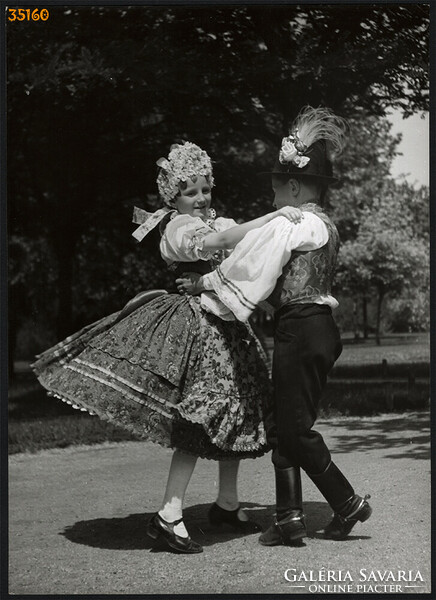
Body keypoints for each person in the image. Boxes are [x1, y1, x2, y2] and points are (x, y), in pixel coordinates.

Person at [31, 141, 302, 555]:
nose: (199, 198)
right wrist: (275, 216)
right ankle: (168, 515)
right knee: (199, 416)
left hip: (227, 323)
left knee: (238, 408)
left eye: (204, 189)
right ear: (173, 196)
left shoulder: (217, 219)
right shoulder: (177, 228)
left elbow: (240, 247)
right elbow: (220, 243)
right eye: (190, 192)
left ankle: (227, 505)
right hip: (195, 326)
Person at [177, 107, 372, 546]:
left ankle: (347, 503)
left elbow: (251, 262)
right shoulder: (325, 224)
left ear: (296, 187)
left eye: (274, 190)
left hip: (300, 330)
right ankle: (288, 518)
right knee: (288, 422)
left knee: (296, 430)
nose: (271, 201)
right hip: (317, 328)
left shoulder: (294, 221)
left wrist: (204, 281)